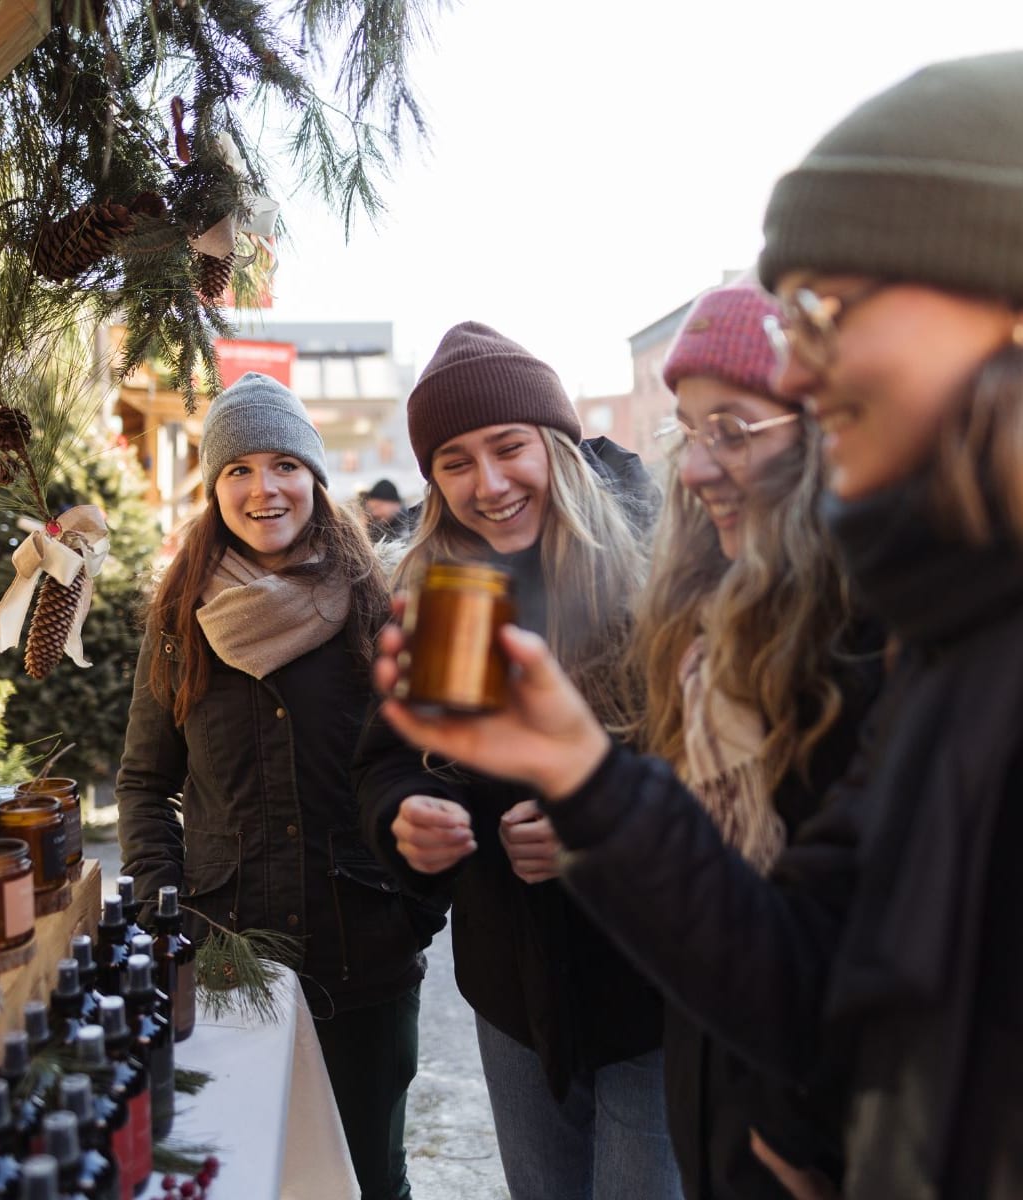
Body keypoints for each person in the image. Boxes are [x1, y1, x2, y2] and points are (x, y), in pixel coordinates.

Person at [368, 53, 1023, 1200]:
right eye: (452, 463)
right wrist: (574, 775)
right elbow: (814, 973)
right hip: (552, 1011)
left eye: (826, 309)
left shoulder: (882, 620)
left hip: (634, 1024)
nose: (800, 368)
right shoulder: (948, 634)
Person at [355, 322, 682, 1200]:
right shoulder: (447, 593)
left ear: (557, 446)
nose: (488, 484)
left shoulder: (655, 571)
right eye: (455, 462)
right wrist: (405, 816)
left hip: (654, 990)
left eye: (508, 448)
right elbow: (392, 762)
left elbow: (722, 775)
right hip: (513, 992)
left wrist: (597, 828)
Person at [115, 372, 430, 1200]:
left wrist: (414, 913)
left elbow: (428, 766)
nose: (265, 489)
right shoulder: (180, 621)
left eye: (285, 464)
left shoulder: (375, 608)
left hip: (363, 958)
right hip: (229, 964)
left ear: (315, 477)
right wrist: (166, 920)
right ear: (215, 488)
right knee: (247, 1179)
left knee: (368, 1180)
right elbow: (144, 784)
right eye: (239, 469)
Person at [641, 283, 882, 1198]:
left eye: (733, 431)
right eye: (688, 434)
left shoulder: (873, 636)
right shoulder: (698, 636)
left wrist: (808, 1129)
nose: (698, 469)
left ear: (819, 428)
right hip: (712, 1095)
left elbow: (869, 932)